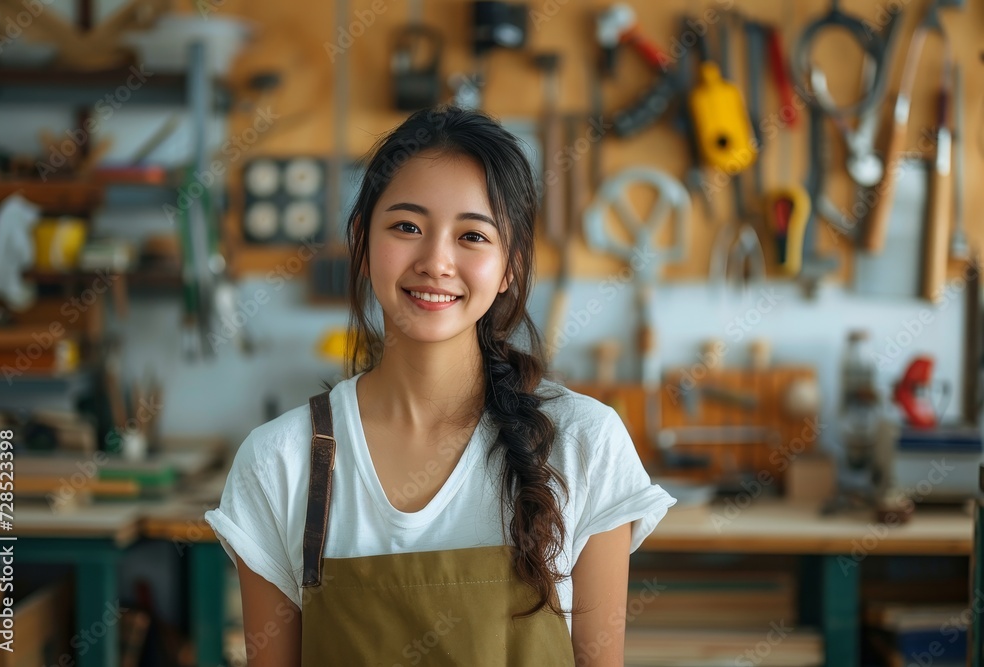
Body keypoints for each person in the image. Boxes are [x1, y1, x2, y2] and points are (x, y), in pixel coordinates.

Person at [205, 105, 676, 665]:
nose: (435, 261)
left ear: (510, 267)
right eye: (407, 227)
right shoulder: (279, 463)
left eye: (473, 235)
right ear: (362, 239)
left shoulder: (584, 444)